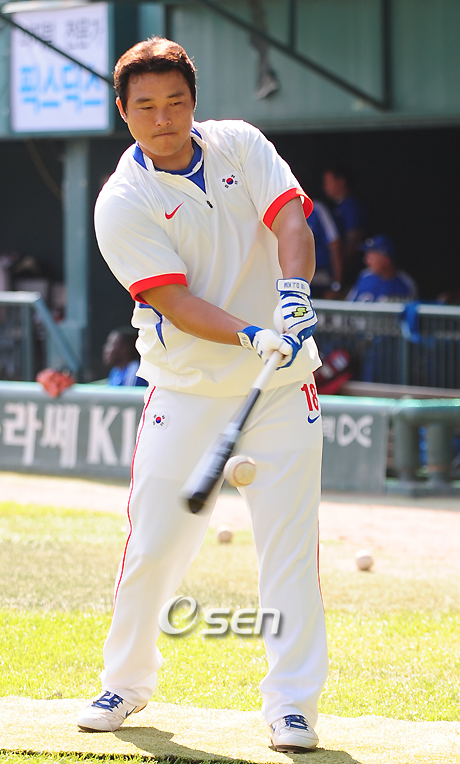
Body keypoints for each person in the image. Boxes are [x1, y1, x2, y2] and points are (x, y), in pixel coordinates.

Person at [77, 37, 328, 753]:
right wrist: (252, 334)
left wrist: (293, 293)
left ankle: (292, 707)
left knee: (288, 550)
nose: (163, 119)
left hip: (282, 389)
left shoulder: (239, 144)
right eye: (146, 107)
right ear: (123, 111)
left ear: (194, 102)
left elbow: (289, 218)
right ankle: (125, 683)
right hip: (185, 390)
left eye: (176, 103)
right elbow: (175, 302)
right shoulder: (122, 202)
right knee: (155, 545)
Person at [322, 164, 367, 288]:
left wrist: (341, 267)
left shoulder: (352, 206)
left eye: (328, 182)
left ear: (341, 182)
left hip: (350, 272)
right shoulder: (337, 207)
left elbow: (354, 240)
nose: (325, 187)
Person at [347, 235, 418, 303]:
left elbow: (412, 309)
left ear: (386, 260)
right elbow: (349, 305)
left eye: (371, 258)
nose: (367, 262)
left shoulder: (405, 283)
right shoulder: (364, 276)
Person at [306, 201, 343, 298]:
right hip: (292, 277)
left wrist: (337, 285)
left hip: (320, 275)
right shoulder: (281, 207)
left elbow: (334, 244)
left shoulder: (316, 208)